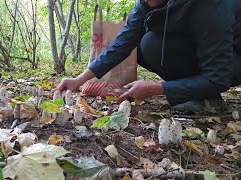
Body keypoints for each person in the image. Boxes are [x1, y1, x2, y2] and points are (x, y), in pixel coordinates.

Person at [57, 0, 241, 112]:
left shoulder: (211, 6)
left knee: (151, 43)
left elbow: (219, 77)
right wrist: (79, 80)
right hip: (201, 51)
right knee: (148, 44)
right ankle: (198, 93)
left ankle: (205, 95)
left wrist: (157, 88)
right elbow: (122, 44)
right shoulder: (146, 4)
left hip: (232, 59)